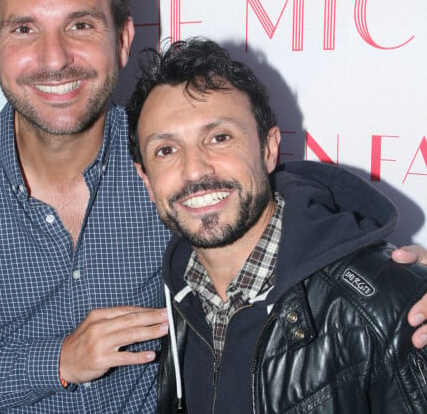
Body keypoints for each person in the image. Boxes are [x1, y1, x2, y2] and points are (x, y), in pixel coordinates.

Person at [0, 0, 427, 413]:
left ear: (123, 38)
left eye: (80, 25)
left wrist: (392, 285)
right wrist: (56, 362)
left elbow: (279, 214)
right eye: (24, 29)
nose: (54, 58)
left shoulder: (165, 163)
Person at [126, 37, 427, 413]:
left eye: (219, 138)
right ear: (145, 179)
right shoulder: (173, 296)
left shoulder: (390, 308)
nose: (195, 170)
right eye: (166, 150)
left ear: (268, 150)